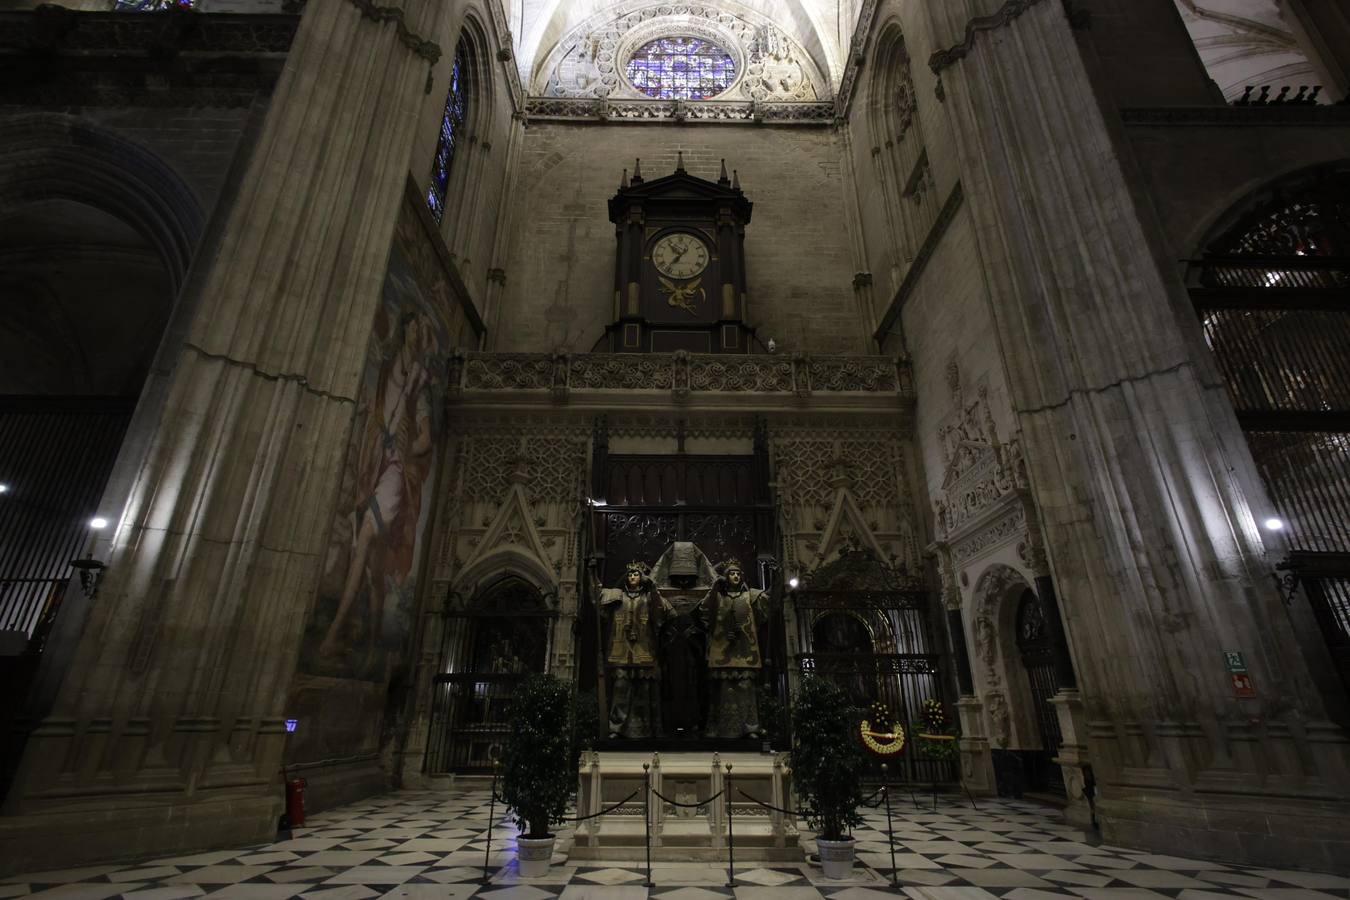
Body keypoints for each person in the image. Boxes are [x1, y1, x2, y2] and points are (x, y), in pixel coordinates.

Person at [320, 312, 435, 664]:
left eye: (420, 329)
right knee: (372, 562)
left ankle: (334, 633)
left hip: (394, 472)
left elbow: (425, 439)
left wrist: (405, 450)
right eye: (412, 326)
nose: (415, 333)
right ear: (404, 330)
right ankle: (370, 645)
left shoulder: (420, 380)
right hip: (374, 463)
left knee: (367, 538)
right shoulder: (386, 370)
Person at [598, 560, 664, 738]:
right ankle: (616, 728)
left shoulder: (649, 597)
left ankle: (645, 729)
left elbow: (662, 612)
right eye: (630, 574)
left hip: (643, 649)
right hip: (621, 650)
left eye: (636, 574)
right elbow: (598, 603)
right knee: (620, 688)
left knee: (643, 689)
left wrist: (653, 588)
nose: (633, 577)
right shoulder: (617, 596)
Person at [705, 558, 767, 739]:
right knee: (724, 691)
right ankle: (719, 728)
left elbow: (769, 602)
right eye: (731, 573)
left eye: (738, 573)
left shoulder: (751, 596)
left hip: (745, 651)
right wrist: (715, 587)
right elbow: (704, 611)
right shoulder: (718, 598)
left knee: (746, 689)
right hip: (723, 650)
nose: (735, 576)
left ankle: (750, 728)